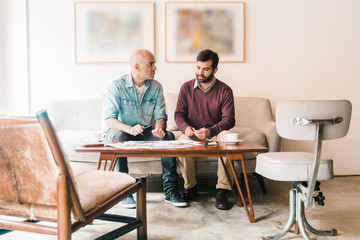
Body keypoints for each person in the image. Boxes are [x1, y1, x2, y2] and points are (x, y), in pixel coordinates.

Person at [104, 49, 187, 208]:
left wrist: (160, 129)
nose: (155, 68)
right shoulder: (117, 86)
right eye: (151, 64)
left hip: (144, 132)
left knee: (168, 137)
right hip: (122, 132)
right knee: (117, 137)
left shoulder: (156, 87)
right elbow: (110, 120)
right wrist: (129, 129)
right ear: (137, 67)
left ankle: (170, 191)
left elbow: (160, 115)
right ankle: (123, 191)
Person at [174, 49, 235, 210]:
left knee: (229, 139)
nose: (200, 73)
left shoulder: (225, 90)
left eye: (206, 69)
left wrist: (211, 131)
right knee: (181, 142)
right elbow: (178, 114)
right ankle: (190, 187)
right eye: (198, 67)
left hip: (215, 133)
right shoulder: (186, 88)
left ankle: (222, 190)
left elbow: (229, 120)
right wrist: (185, 128)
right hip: (193, 133)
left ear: (215, 70)